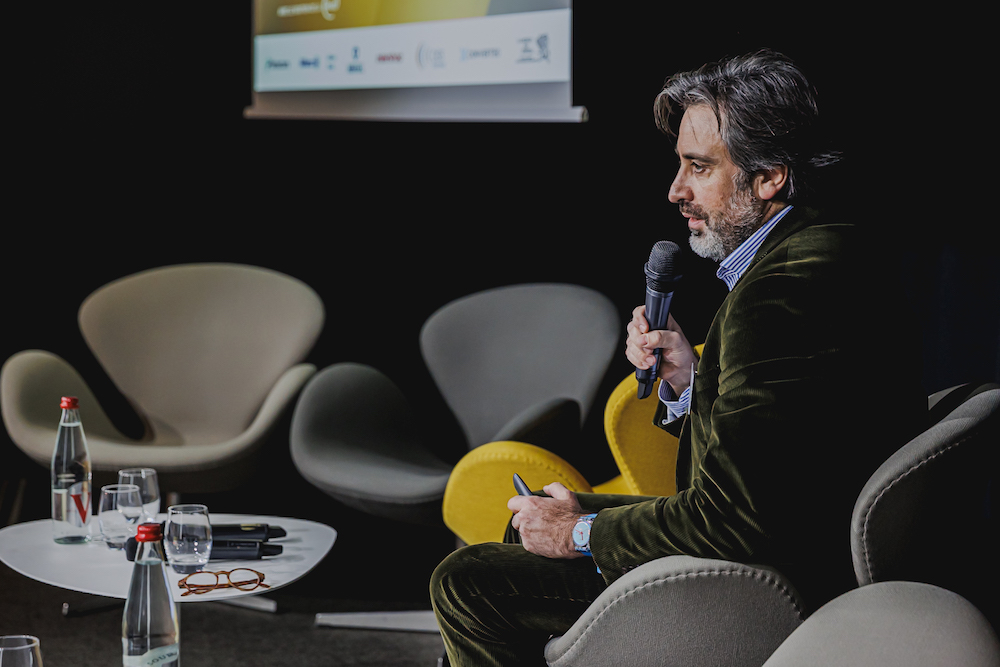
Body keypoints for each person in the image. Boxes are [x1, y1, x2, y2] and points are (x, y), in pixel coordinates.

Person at [430, 49, 926, 666]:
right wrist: (691, 379)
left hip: (776, 580)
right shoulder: (824, 250)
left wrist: (576, 533)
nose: (675, 191)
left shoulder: (782, 292)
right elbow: (786, 446)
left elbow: (736, 520)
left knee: (468, 580)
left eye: (699, 167)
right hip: (786, 540)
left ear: (769, 176)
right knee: (526, 527)